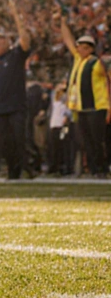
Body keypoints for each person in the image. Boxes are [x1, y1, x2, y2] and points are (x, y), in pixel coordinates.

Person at [53, 9, 108, 178]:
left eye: (84, 48)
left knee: (97, 140)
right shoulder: (79, 59)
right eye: (79, 47)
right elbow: (68, 40)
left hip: (96, 107)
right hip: (81, 108)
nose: (80, 50)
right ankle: (93, 169)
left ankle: (101, 169)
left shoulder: (95, 63)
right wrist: (63, 24)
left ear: (90, 49)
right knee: (87, 142)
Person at [0, 1, 31, 180]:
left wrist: (16, 16)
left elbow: (25, 40)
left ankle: (28, 167)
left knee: (20, 139)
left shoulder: (15, 56)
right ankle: (13, 171)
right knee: (4, 143)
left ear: (6, 43)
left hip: (16, 105)